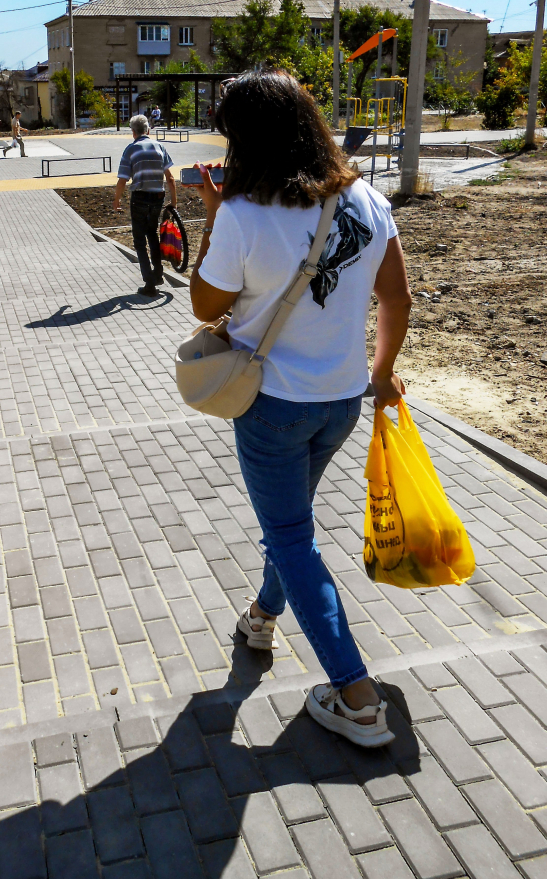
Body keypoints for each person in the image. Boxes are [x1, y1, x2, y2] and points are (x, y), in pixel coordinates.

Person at [187, 68, 412, 748]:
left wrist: (213, 216)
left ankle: (358, 697)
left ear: (245, 139)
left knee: (290, 536)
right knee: (291, 525)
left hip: (273, 407)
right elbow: (397, 298)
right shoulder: (366, 199)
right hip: (341, 401)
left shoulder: (243, 212)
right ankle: (262, 615)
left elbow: (203, 305)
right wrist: (382, 374)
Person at [114, 114, 178, 297]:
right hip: (158, 197)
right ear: (148, 130)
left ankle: (149, 284)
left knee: (139, 241)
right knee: (152, 234)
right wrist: (174, 202)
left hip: (139, 198)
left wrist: (117, 200)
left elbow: (122, 179)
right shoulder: (159, 147)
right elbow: (170, 178)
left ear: (133, 132)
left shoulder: (131, 149)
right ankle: (158, 274)